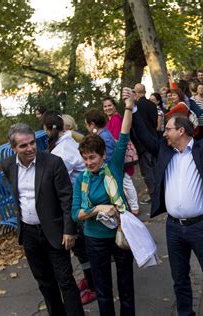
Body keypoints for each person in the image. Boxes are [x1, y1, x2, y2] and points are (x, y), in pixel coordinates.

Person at [122, 86, 203, 316]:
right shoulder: (165, 151)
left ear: (182, 131)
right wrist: (132, 107)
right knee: (180, 280)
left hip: (201, 227)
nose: (164, 133)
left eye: (168, 129)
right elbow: (144, 136)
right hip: (174, 228)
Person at [1, 123, 84, 316]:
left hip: (55, 231)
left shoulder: (53, 162)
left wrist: (69, 229)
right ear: (14, 148)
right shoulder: (7, 165)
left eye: (32, 143)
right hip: (29, 233)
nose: (30, 149)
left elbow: (67, 198)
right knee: (45, 282)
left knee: (65, 281)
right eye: (23, 146)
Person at [72, 99, 135, 316]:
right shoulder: (81, 180)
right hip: (95, 239)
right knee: (103, 289)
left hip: (121, 235)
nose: (89, 163)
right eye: (85, 159)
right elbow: (77, 213)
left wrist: (128, 106)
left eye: (93, 158)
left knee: (126, 286)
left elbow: (124, 133)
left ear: (103, 156)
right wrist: (98, 209)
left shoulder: (114, 167)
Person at [42, 111, 96, 305]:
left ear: (48, 130)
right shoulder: (68, 141)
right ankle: (91, 279)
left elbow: (58, 184)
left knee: (81, 248)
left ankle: (93, 285)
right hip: (83, 198)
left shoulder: (60, 152)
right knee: (83, 248)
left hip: (79, 202)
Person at [102, 97, 140, 215]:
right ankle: (132, 206)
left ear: (114, 106)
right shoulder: (110, 120)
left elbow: (118, 139)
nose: (108, 108)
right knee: (124, 182)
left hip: (120, 156)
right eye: (105, 106)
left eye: (109, 105)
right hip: (116, 156)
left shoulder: (116, 119)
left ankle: (135, 208)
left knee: (127, 182)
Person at [131, 83, 158, 204]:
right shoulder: (153, 105)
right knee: (155, 168)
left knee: (147, 171)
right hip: (154, 139)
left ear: (136, 93)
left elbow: (135, 127)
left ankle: (154, 195)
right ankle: (160, 192)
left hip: (142, 144)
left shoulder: (136, 107)